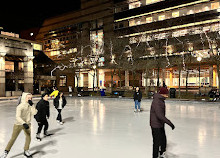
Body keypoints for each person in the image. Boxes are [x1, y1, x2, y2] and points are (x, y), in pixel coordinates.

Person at [0, 93, 37, 158]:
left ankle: (26, 150)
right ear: (24, 98)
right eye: (28, 98)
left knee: (28, 137)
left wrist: (32, 105)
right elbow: (17, 117)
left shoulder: (30, 105)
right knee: (13, 138)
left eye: (31, 98)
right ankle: (6, 151)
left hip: (27, 124)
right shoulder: (20, 106)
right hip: (18, 124)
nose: (30, 99)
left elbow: (34, 112)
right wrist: (23, 123)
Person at [150, 87, 175, 158]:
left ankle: (162, 152)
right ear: (163, 94)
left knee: (163, 139)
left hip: (160, 124)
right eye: (166, 94)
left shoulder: (160, 99)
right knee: (156, 142)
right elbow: (160, 115)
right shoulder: (157, 101)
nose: (167, 95)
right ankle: (155, 156)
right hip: (155, 125)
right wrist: (170, 123)